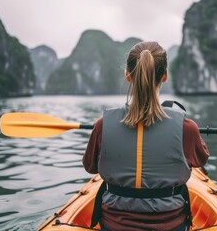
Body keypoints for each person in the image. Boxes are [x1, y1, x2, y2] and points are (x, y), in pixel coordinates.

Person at [83, 41, 209, 231]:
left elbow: (90, 166)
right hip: (171, 225)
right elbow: (201, 159)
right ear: (165, 76)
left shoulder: (102, 125)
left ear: (127, 75)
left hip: (113, 225)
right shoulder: (187, 128)